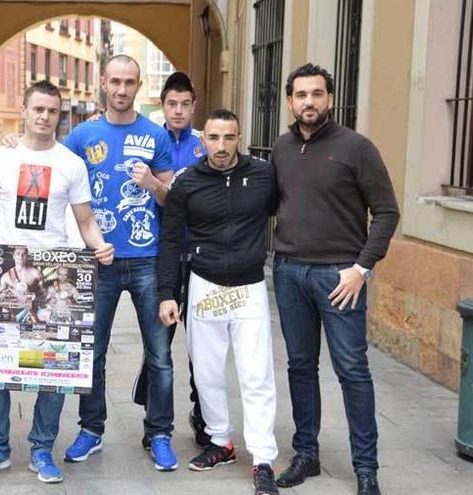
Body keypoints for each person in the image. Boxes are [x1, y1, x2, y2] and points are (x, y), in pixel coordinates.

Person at [0, 80, 114, 484]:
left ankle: (42, 449)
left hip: (51, 277)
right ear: (24, 111)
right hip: (5, 277)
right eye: (38, 109)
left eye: (52, 110)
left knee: (55, 370)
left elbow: (85, 221)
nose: (45, 116)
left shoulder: (71, 164)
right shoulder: (0, 158)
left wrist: (100, 246)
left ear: (58, 114)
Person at [271, 63, 399, 495]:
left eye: (317, 94)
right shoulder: (282, 148)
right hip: (288, 274)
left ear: (329, 98)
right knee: (300, 367)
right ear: (290, 101)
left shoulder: (357, 148)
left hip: (340, 277)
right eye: (301, 94)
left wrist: (362, 268)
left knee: (352, 371)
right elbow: (270, 204)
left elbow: (386, 212)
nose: (309, 101)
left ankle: (367, 470)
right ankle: (305, 454)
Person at [61, 54, 178, 471]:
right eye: (115, 81)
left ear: (139, 85)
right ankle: (91, 429)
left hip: (148, 260)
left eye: (130, 82)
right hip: (98, 261)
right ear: (103, 83)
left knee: (159, 354)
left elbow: (171, 200)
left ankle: (159, 432)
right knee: (91, 352)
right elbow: (57, 182)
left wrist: (152, 184)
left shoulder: (156, 136)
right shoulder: (81, 136)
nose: (122, 89)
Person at [158, 109, 279, 495]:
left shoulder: (263, 175)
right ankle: (221, 442)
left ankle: (262, 459)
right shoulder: (187, 183)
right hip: (204, 285)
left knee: (256, 374)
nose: (221, 146)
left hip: (249, 287)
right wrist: (166, 294)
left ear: (239, 138)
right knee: (207, 373)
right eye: (214, 138)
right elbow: (171, 241)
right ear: (202, 140)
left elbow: (288, 206)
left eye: (229, 138)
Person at [131, 71, 209, 449]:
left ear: (194, 106)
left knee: (201, 342)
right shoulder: (150, 141)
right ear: (162, 105)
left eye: (185, 104)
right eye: (171, 104)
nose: (178, 111)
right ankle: (154, 416)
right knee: (159, 341)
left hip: (200, 254)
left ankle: (202, 414)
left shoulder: (204, 144)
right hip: (160, 253)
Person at [0, 246, 43, 323]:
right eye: (18, 254)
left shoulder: (36, 273)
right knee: (5, 309)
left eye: (24, 254)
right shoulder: (6, 276)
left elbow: (44, 294)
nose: (21, 257)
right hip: (13, 309)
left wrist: (34, 296)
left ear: (27, 256)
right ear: (13, 256)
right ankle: (6, 328)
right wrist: (4, 295)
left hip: (31, 309)